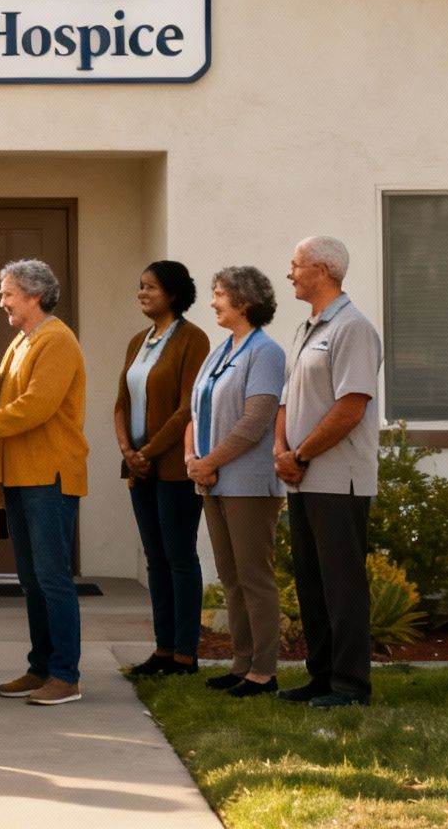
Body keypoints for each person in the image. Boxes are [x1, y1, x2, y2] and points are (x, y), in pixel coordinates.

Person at [273, 236, 383, 709]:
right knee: (312, 582)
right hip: (301, 477)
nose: (290, 273)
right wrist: (282, 451)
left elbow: (351, 406)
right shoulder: (305, 330)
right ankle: (320, 677)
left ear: (320, 269)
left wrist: (299, 456)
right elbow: (285, 400)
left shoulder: (353, 329)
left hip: (339, 480)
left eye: (296, 265)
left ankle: (350, 685)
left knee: (342, 585)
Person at [0, 259, 89, 707]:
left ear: (33, 295)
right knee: (32, 579)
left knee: (53, 577)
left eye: (8, 293)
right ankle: (41, 666)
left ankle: (65, 675)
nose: (1, 301)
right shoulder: (22, 341)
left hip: (50, 476)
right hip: (21, 476)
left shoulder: (56, 340)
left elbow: (35, 407)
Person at [186, 265, 290, 699]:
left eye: (219, 294)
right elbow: (195, 411)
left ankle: (264, 671)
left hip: (248, 482)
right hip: (212, 480)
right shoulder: (221, 348)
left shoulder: (265, 352)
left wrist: (208, 461)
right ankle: (241, 663)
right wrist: (194, 460)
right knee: (230, 576)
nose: (212, 301)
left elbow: (254, 422)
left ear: (244, 302)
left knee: (254, 577)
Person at [113, 261, 211, 678]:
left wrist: (149, 451)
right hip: (140, 469)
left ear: (172, 293)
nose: (142, 293)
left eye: (150, 287)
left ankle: (185, 656)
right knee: (155, 559)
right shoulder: (138, 340)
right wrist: (128, 450)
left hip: (172, 468)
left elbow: (188, 406)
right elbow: (121, 402)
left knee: (179, 557)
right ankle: (163, 649)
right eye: (140, 287)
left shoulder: (193, 339)